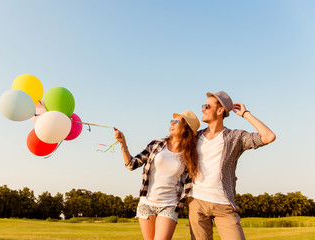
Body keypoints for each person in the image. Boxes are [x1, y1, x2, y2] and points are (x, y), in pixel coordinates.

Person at [188, 91, 276, 240]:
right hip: (197, 201)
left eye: (207, 106)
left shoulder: (235, 137)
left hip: (224, 203)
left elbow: (268, 137)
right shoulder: (195, 137)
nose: (202, 109)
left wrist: (245, 114)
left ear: (220, 110)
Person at [114, 110, 200, 240]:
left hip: (169, 205)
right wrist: (122, 143)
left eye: (177, 122)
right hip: (146, 203)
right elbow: (132, 164)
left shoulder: (190, 155)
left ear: (186, 128)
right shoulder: (156, 144)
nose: (172, 124)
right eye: (172, 121)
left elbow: (195, 180)